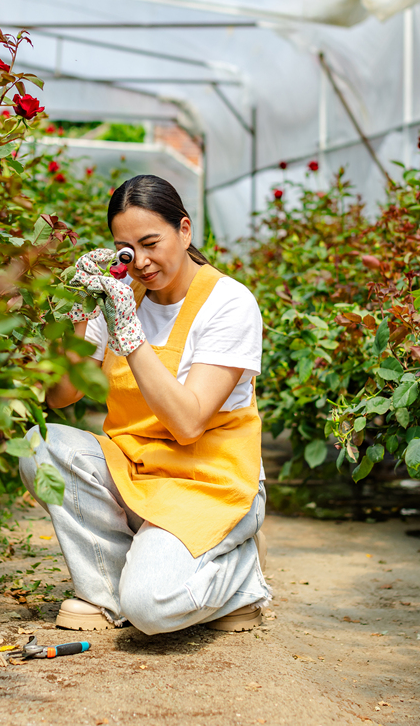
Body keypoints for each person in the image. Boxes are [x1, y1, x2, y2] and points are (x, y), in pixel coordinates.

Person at [18, 174, 270, 635]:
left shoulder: (229, 303)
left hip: (210, 488)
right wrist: (80, 313)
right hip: (137, 473)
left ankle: (241, 578)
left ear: (185, 231)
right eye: (128, 250)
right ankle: (106, 594)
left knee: (152, 610)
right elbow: (61, 397)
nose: (142, 262)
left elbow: (189, 423)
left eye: (152, 242)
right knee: (41, 446)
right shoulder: (121, 295)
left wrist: (128, 332)